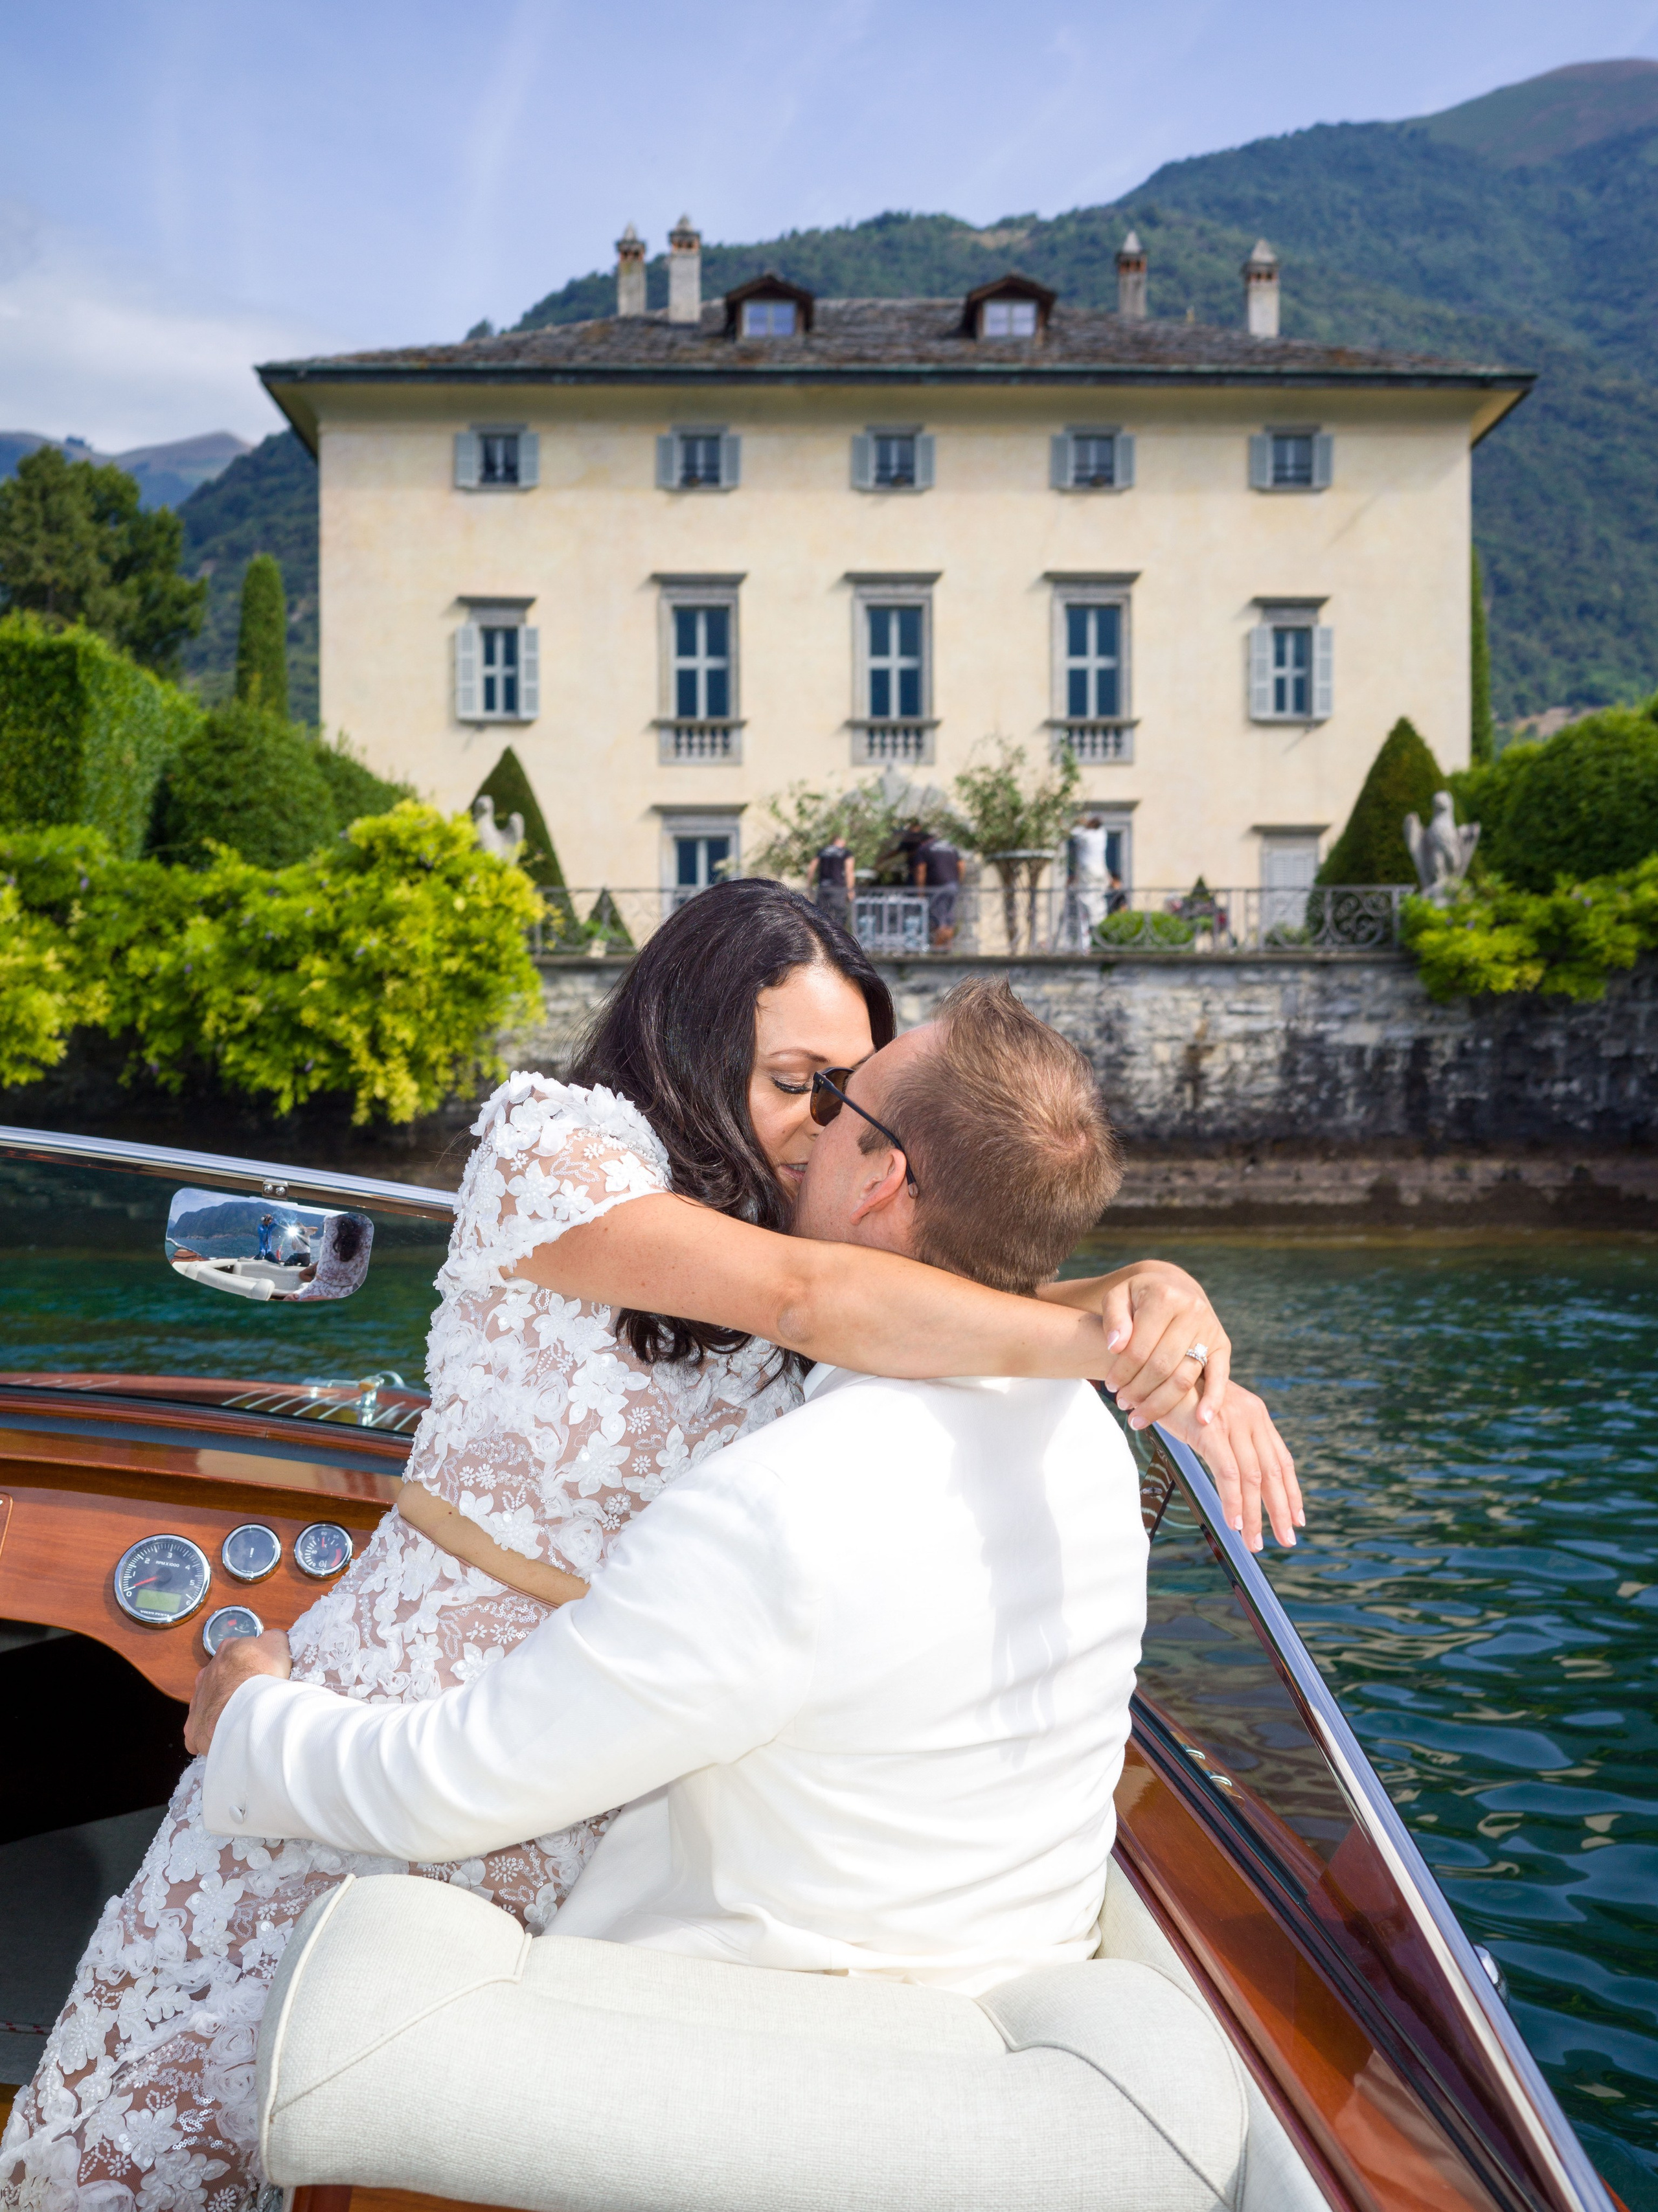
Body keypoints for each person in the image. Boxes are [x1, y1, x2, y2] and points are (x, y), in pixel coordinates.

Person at [0, 883, 1295, 2212]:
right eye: (797, 1080)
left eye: (845, 1090)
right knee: (140, 2112)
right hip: (408, 1673)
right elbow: (819, 1292)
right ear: (693, 1040)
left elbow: (938, 1272)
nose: (814, 1124)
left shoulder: (831, 1262)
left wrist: (1158, 1315)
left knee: (334, 2123)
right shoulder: (556, 1154)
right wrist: (1107, 1339)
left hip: (600, 1743)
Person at [189, 982, 1153, 2003]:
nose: (803, 1134)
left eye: (836, 1104)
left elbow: (451, 1788)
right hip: (983, 1976)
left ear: (883, 1180)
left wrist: (252, 1712)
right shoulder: (1088, 1443)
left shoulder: (775, 1508)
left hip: (740, 2021)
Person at [1068, 815, 1113, 948]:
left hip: (1089, 872)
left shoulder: (1086, 835)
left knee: (1086, 902)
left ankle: (1091, 935)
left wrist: (1078, 821)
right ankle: (1099, 928)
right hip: (1100, 871)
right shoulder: (1102, 833)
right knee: (1098, 901)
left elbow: (1071, 831)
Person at [916, 829, 960, 950]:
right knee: (948, 920)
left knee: (939, 921)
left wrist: (921, 892)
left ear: (922, 842)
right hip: (953, 886)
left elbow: (921, 871)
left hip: (937, 888)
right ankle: (947, 949)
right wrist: (958, 883)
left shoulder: (924, 849)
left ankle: (937, 951)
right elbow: (961, 865)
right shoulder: (950, 847)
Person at [806, 830, 854, 928]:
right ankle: (837, 942)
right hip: (838, 889)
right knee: (839, 919)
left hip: (823, 888)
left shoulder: (823, 851)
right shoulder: (845, 853)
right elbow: (849, 872)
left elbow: (811, 869)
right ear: (841, 841)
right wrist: (850, 890)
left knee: (821, 917)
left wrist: (809, 887)